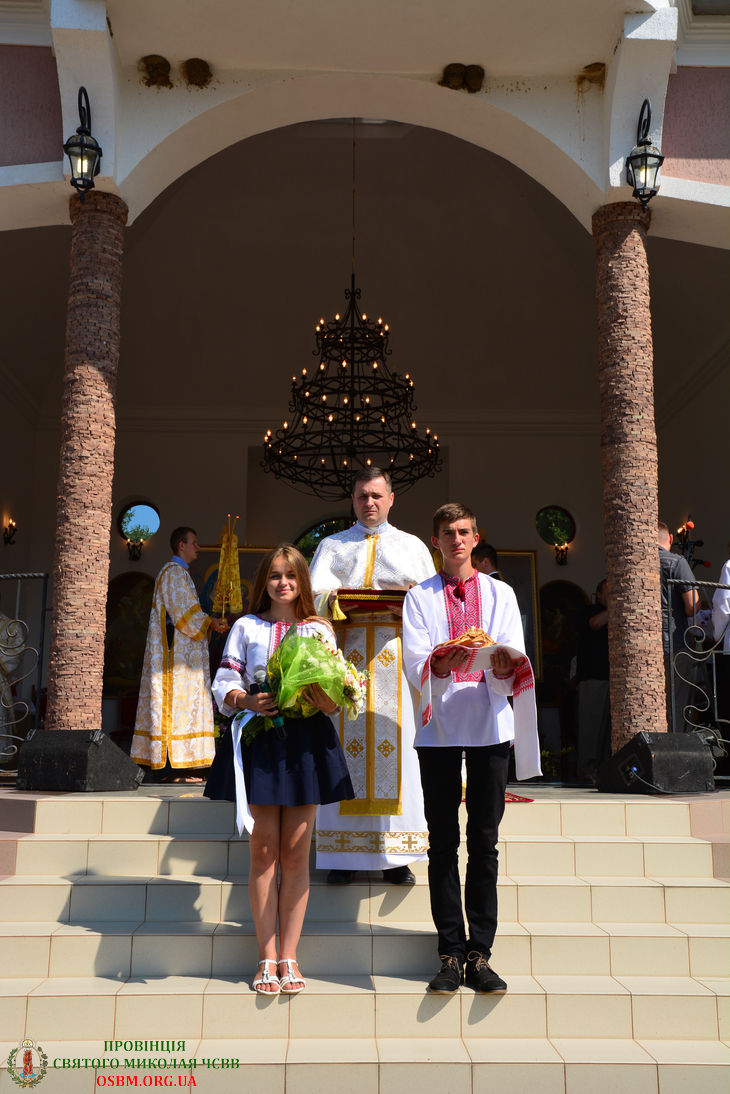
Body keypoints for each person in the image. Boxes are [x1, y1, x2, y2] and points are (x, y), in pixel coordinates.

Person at [402, 503, 541, 996]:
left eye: (464, 531)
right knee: (442, 842)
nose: (456, 539)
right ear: (435, 540)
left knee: (484, 841)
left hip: (489, 725)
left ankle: (480, 953)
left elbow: (513, 652)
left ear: (476, 538)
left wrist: (503, 664)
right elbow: (415, 659)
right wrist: (440, 664)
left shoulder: (501, 593)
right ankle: (449, 952)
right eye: (447, 532)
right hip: (438, 727)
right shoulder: (418, 596)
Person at [205, 544, 354, 994]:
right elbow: (225, 682)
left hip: (307, 743)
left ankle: (290, 956)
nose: (282, 583)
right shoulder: (246, 626)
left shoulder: (319, 629)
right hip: (263, 739)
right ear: (263, 582)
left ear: (302, 582)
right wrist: (246, 700)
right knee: (264, 852)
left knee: (294, 853)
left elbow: (335, 697)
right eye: (274, 575)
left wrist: (326, 699)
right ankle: (266, 957)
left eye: (290, 575)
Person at [309, 467, 435, 885]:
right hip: (343, 660)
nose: (369, 503)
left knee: (399, 752)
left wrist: (407, 603)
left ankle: (395, 857)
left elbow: (431, 603)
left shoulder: (412, 546)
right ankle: (343, 856)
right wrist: (336, 601)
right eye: (362, 495)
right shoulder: (332, 546)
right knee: (341, 751)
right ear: (352, 499)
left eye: (377, 495)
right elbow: (310, 601)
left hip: (396, 662)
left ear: (391, 498)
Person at [131, 527, 229, 782]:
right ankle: (168, 770)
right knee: (173, 708)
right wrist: (210, 622)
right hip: (174, 661)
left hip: (183, 658)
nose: (198, 546)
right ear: (181, 545)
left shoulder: (178, 573)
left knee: (181, 709)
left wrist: (209, 623)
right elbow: (184, 614)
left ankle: (183, 767)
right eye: (193, 542)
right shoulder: (174, 572)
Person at [659, 521, 699, 731]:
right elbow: (692, 605)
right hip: (674, 644)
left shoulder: (636, 564)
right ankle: (674, 749)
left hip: (642, 650)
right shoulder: (675, 562)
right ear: (671, 539)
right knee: (676, 706)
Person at [575, 579, 611, 781]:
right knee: (591, 724)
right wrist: (617, 605)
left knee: (608, 729)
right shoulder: (590, 610)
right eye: (609, 591)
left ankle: (605, 770)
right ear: (599, 595)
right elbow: (594, 624)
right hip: (593, 676)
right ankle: (586, 769)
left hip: (612, 677)